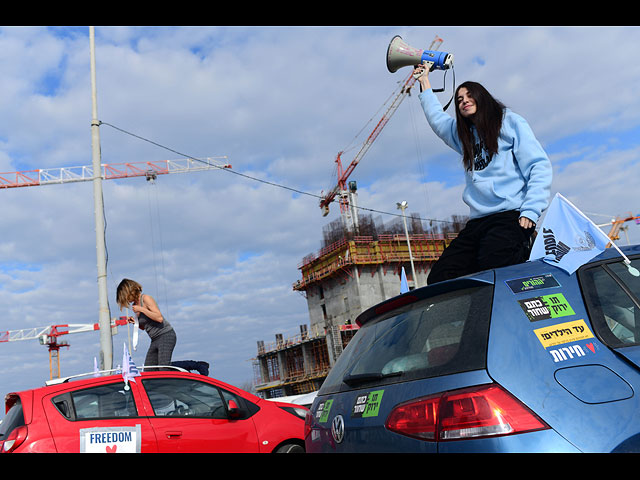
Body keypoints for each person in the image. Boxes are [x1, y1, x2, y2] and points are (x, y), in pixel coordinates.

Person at [413, 62, 552, 284]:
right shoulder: (463, 136)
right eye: (459, 99)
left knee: (494, 271)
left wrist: (531, 210)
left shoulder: (508, 122)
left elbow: (538, 165)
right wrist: (424, 82)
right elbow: (438, 120)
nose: (464, 101)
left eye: (470, 96)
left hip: (510, 216)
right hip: (478, 222)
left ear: (482, 97)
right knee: (441, 277)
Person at [116, 278, 176, 369]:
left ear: (130, 292)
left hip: (165, 335)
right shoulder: (135, 305)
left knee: (164, 368)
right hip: (154, 339)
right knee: (149, 371)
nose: (128, 301)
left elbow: (159, 318)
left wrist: (141, 309)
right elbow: (145, 327)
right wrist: (135, 322)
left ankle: (191, 366)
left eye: (127, 298)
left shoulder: (145, 298)